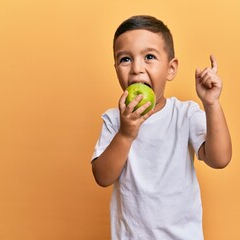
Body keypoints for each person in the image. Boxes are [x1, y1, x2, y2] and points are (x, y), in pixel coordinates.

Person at [91, 15, 232, 239]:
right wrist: (126, 134)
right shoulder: (114, 120)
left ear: (170, 68)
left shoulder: (184, 114)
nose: (136, 68)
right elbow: (102, 177)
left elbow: (220, 158)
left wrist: (211, 103)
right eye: (125, 59)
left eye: (149, 57)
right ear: (116, 68)